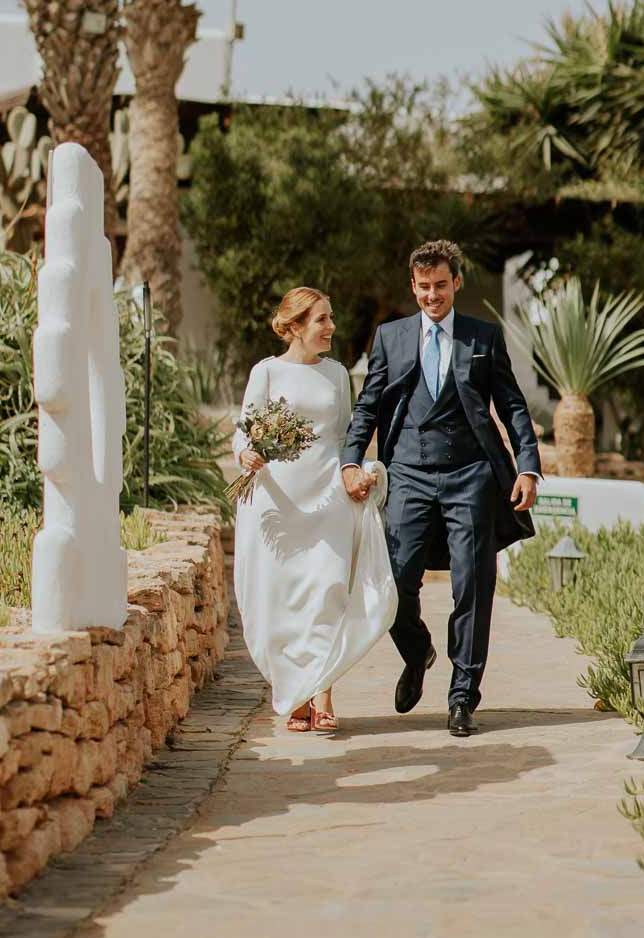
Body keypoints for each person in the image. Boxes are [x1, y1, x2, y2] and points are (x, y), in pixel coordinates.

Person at [340, 239, 542, 737]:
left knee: (473, 585)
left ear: (457, 283)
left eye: (441, 286)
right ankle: (417, 651)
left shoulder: (483, 337)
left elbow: (513, 406)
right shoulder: (391, 337)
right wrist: (350, 460)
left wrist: (528, 467)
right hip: (407, 473)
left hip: (470, 476)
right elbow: (367, 406)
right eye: (424, 288)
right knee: (394, 584)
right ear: (413, 287)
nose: (432, 296)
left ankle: (462, 697)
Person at [232, 286, 397, 733]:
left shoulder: (338, 374)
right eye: (322, 319)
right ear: (296, 326)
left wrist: (356, 472)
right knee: (284, 598)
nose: (331, 327)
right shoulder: (265, 373)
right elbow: (243, 431)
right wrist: (245, 455)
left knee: (327, 591)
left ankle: (323, 693)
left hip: (327, 498)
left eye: (330, 318)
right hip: (277, 501)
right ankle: (297, 695)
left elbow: (346, 436)